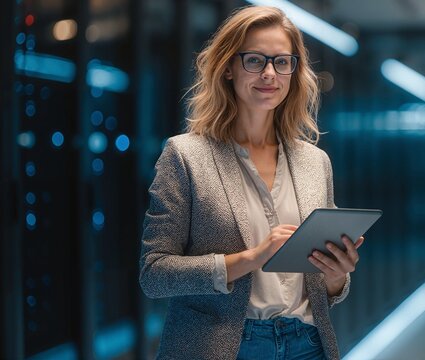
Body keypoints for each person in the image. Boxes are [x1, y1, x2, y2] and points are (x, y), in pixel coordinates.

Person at [139, 6, 363, 360]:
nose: (270, 74)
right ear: (228, 67)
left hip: (307, 343)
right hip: (222, 346)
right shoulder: (185, 156)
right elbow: (154, 274)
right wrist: (251, 258)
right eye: (255, 60)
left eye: (282, 62)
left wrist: (336, 276)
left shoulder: (314, 162)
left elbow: (326, 286)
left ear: (294, 71)